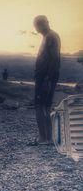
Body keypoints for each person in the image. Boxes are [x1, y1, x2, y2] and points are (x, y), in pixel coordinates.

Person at [30, 15, 61, 145]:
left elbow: (54, 59)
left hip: (46, 78)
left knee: (40, 106)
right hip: (44, 77)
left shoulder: (51, 36)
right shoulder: (47, 37)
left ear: (44, 24)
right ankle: (47, 138)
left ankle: (45, 138)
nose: (36, 29)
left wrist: (48, 79)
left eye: (37, 26)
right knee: (45, 106)